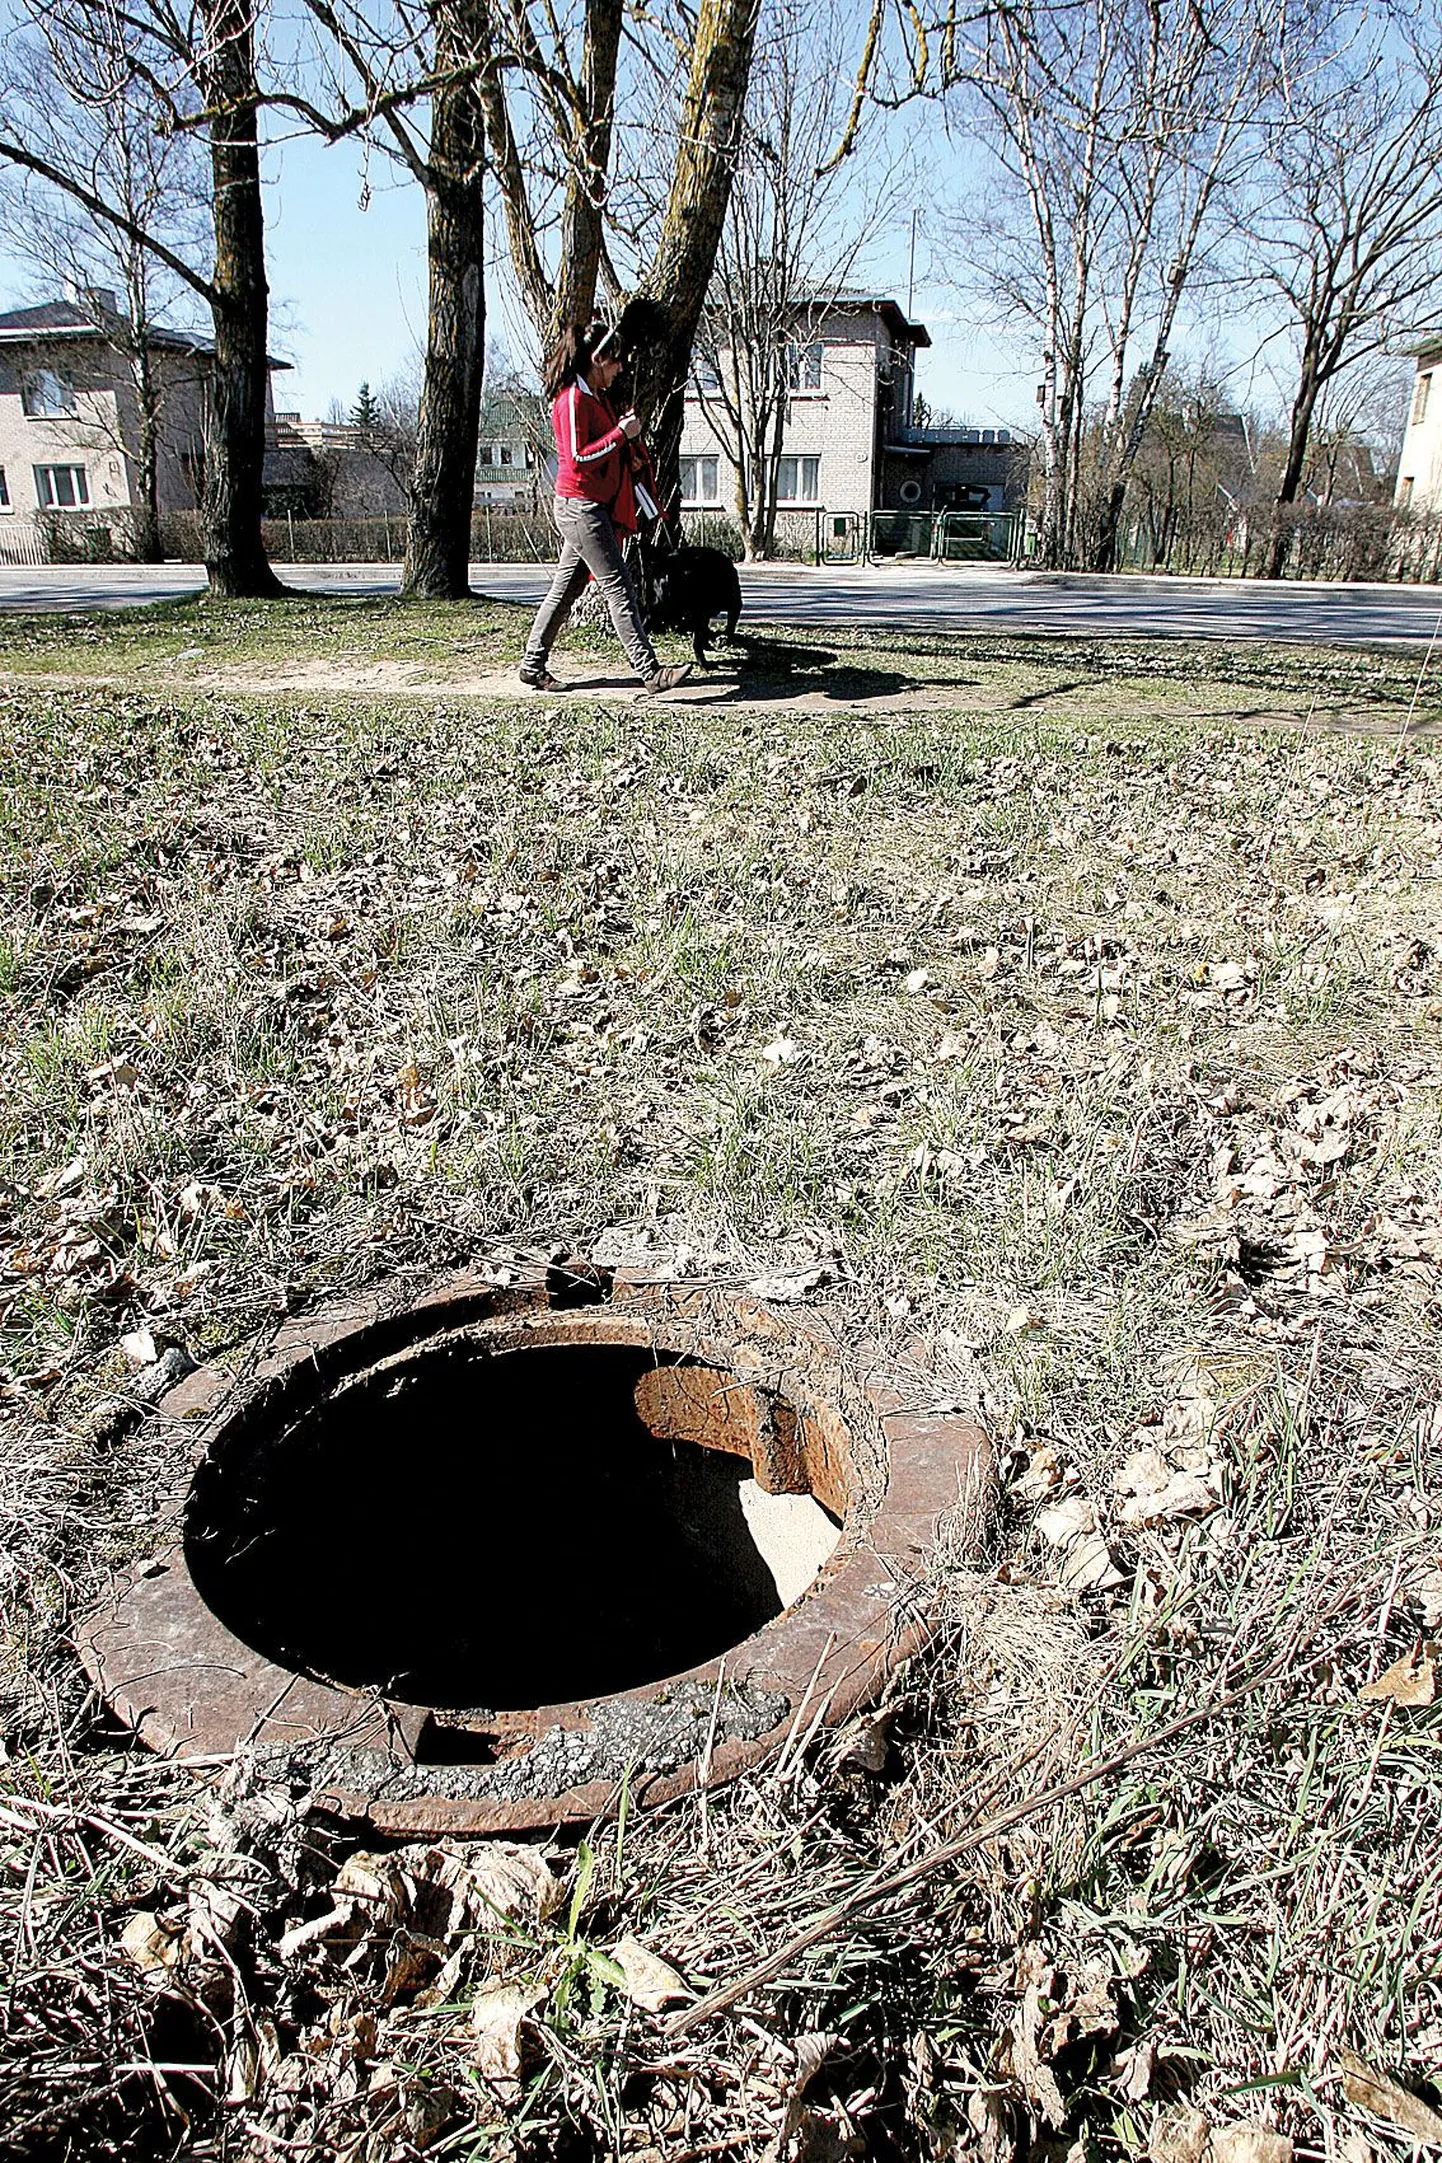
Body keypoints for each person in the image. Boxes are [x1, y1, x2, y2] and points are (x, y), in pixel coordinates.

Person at [519, 319, 692, 697]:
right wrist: (620, 436)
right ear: (597, 359)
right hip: (580, 508)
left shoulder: (596, 398)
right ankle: (651, 674)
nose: (621, 368)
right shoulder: (571, 400)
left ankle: (532, 666)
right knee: (619, 588)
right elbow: (578, 458)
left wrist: (625, 457)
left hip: (591, 507)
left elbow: (600, 454)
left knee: (565, 592)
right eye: (616, 362)